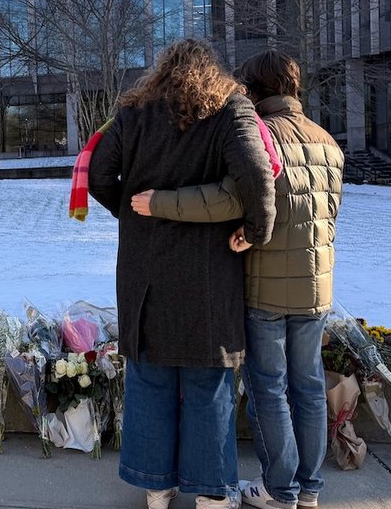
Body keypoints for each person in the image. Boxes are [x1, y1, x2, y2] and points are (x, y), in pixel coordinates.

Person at [131, 49, 344, 509]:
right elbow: (330, 213)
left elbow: (230, 198)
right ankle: (309, 489)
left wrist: (160, 203)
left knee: (270, 388)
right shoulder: (328, 140)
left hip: (265, 286)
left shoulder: (257, 133)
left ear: (253, 88)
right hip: (317, 287)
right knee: (308, 386)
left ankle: (279, 490)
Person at [89, 39, 277, 509]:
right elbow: (257, 173)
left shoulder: (134, 112)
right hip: (207, 271)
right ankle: (212, 492)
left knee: (151, 377)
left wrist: (133, 216)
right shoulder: (230, 108)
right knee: (207, 380)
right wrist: (256, 229)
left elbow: (97, 175)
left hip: (144, 272)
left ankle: (157, 486)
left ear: (161, 71)